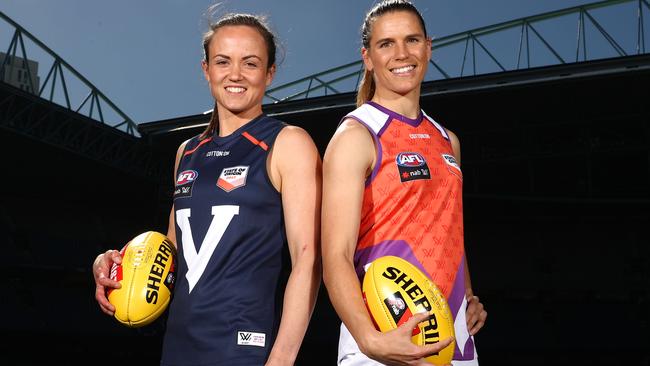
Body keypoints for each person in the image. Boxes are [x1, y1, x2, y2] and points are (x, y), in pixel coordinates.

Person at [92, 12, 322, 366]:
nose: (235, 74)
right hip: (178, 348)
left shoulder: (288, 143)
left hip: (244, 348)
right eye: (223, 61)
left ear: (269, 73)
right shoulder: (187, 152)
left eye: (251, 63)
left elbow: (308, 258)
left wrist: (282, 358)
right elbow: (170, 249)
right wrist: (115, 262)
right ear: (206, 70)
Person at [322, 1, 487, 365]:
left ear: (428, 47)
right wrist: (369, 340)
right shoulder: (356, 135)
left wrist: (469, 294)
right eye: (386, 44)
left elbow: (448, 231)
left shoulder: (448, 140)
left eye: (412, 40)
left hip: (455, 343)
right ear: (367, 57)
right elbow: (335, 255)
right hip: (385, 340)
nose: (402, 54)